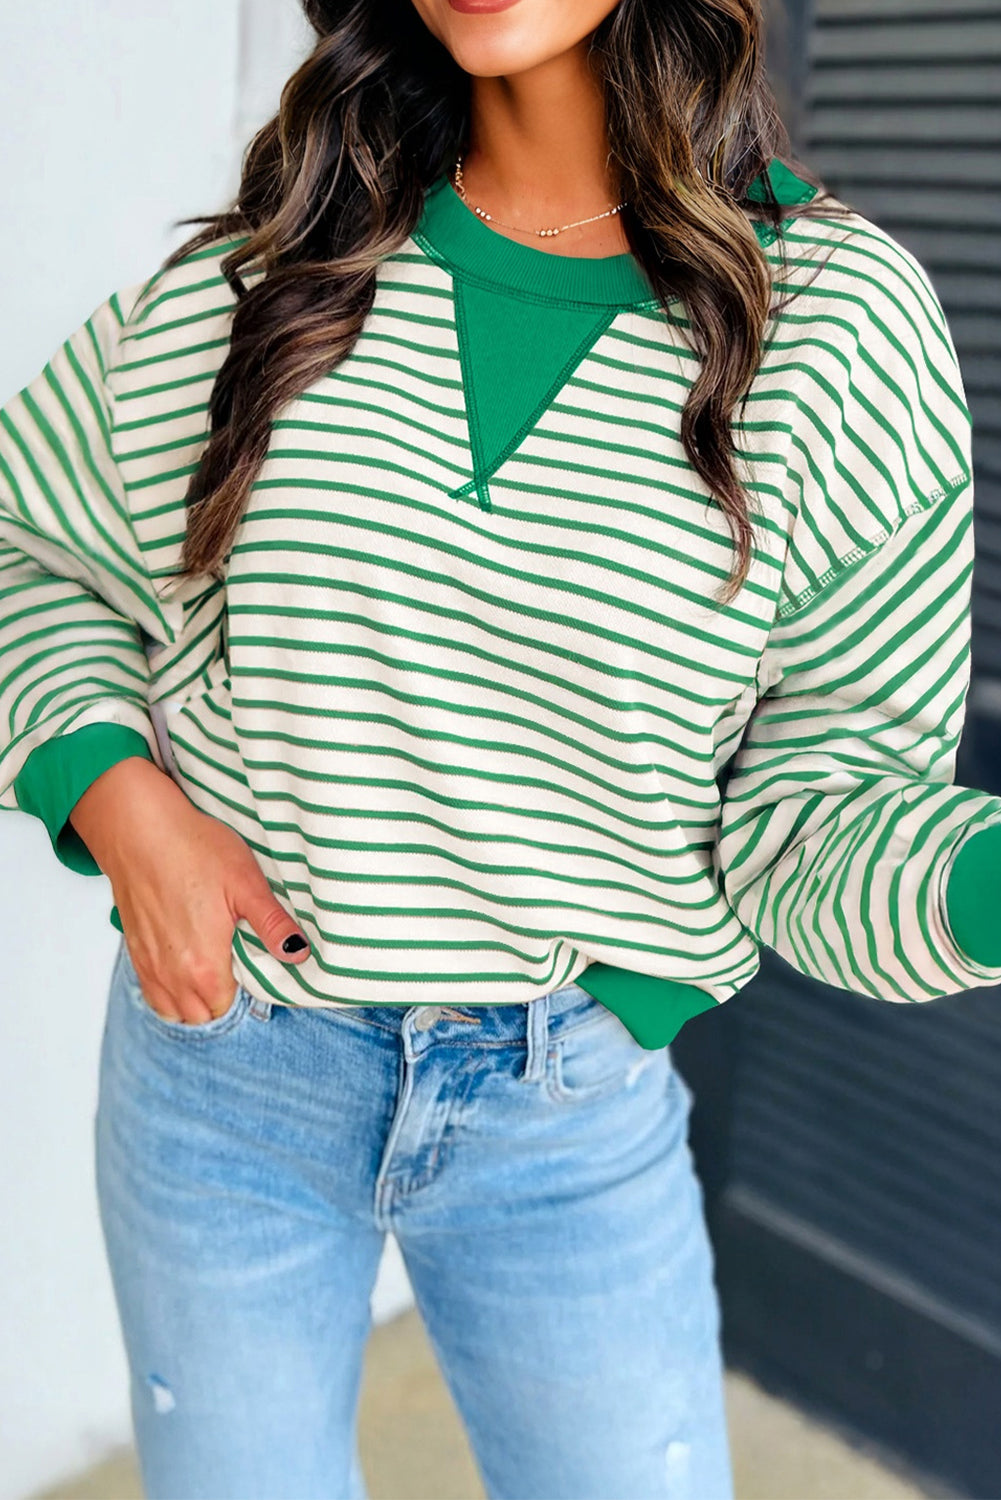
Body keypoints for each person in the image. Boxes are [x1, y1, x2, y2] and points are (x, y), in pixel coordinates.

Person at [2, 1, 1000, 1496]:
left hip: (564, 1098)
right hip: (227, 1069)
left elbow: (822, 811)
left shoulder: (836, 322)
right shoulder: (291, 254)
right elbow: (31, 546)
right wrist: (121, 799)